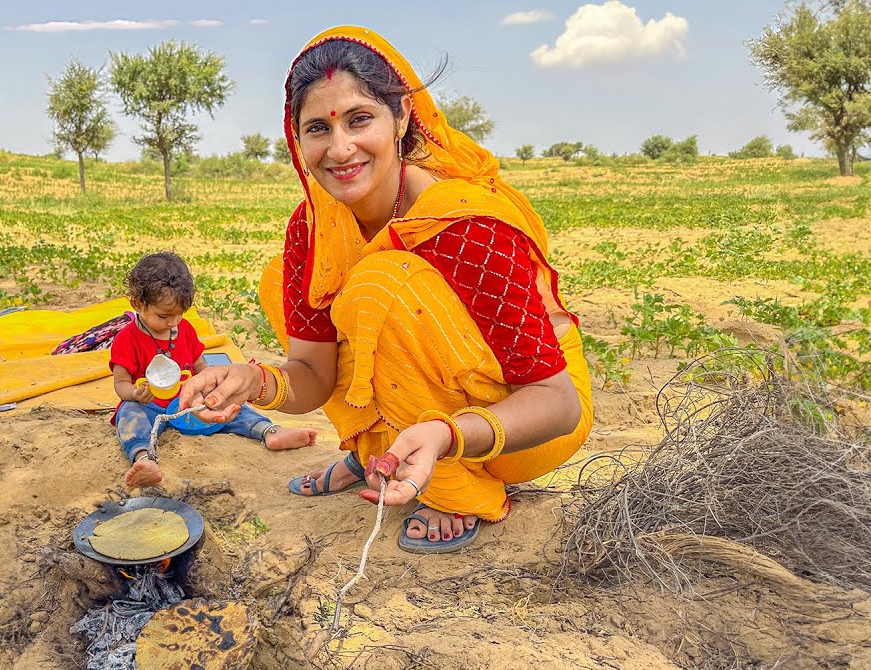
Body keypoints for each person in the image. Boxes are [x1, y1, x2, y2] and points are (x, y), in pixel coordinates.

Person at [178, 27, 593, 553]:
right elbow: (313, 378)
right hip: (444, 398)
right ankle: (375, 445)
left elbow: (557, 405)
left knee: (379, 285)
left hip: (525, 422)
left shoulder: (466, 225)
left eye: (359, 119)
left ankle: (453, 488)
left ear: (400, 118)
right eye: (317, 129)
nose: (340, 148)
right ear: (297, 140)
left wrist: (446, 434)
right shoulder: (313, 229)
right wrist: (249, 380)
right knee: (286, 277)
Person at [111, 252, 318, 487]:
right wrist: (135, 394)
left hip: (188, 401)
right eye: (164, 316)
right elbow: (121, 385)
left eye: (180, 315)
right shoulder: (127, 339)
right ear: (138, 304)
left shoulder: (184, 329)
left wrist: (211, 384)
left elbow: (200, 365)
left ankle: (269, 431)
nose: (173, 323)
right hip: (149, 405)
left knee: (230, 404)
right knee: (128, 413)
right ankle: (145, 458)